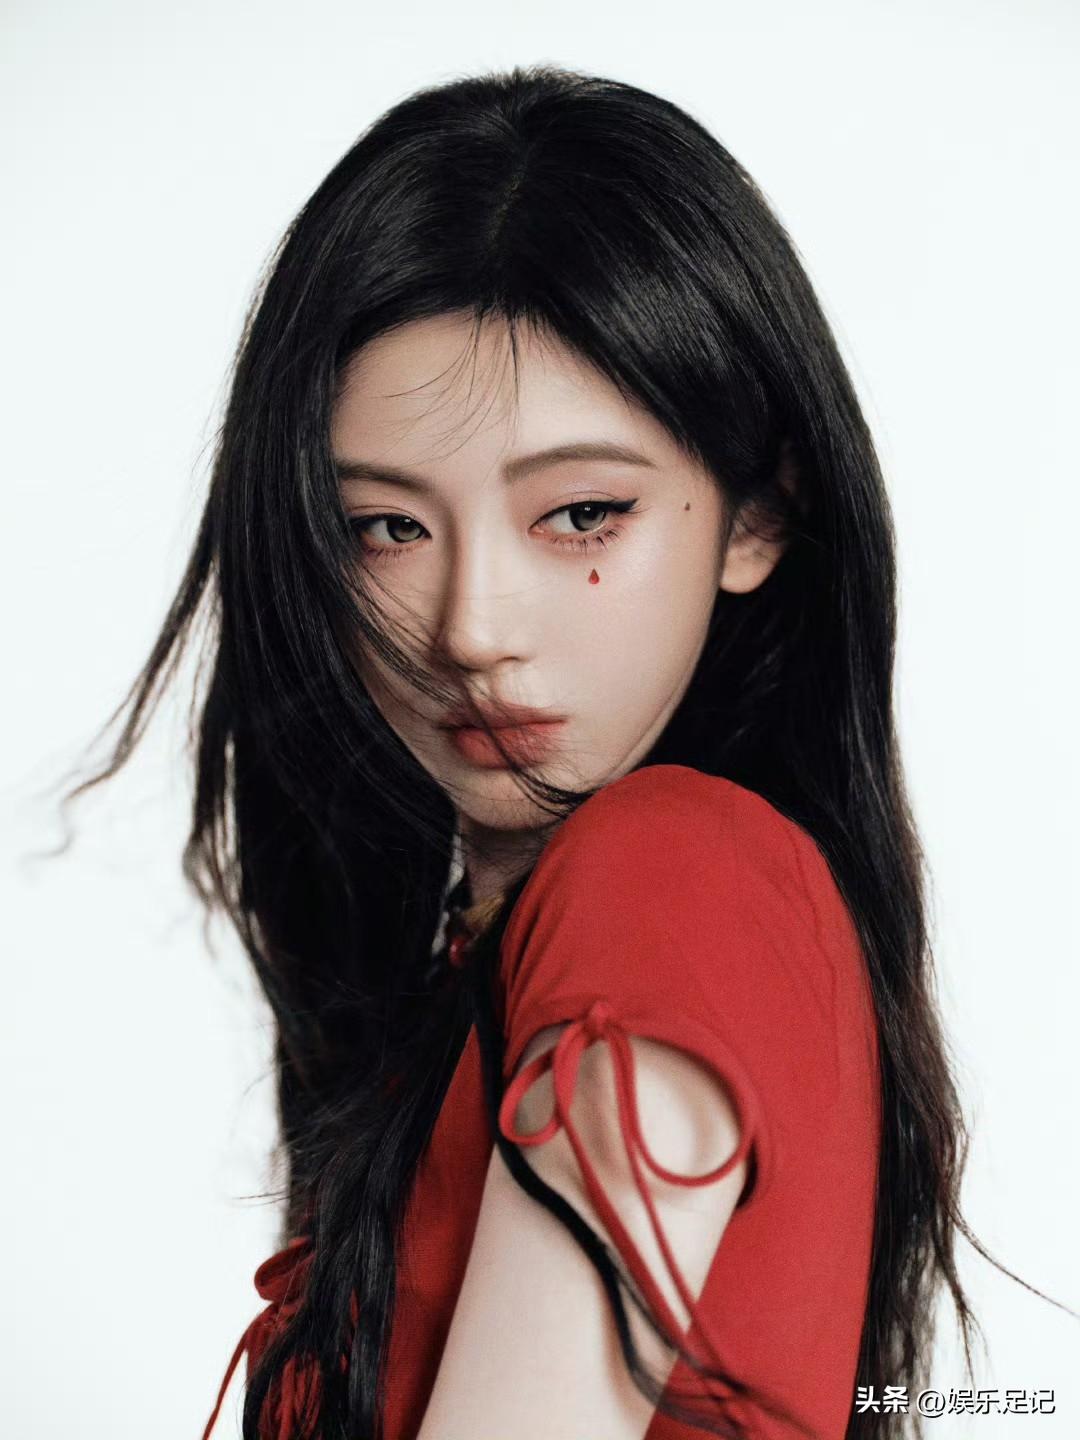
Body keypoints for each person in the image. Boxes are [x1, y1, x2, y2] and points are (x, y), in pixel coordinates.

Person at [57, 63, 1068, 1440]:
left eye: (582, 514)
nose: (471, 628)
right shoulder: (500, 961)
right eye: (384, 528)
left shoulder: (669, 878)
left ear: (757, 516)